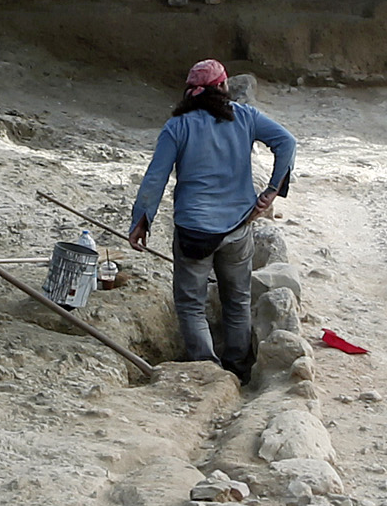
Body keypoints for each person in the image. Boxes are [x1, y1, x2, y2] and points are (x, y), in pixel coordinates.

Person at [127, 58, 298, 376]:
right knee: (237, 298)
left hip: (193, 233)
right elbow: (287, 142)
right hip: (237, 227)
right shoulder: (245, 117)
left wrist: (141, 220)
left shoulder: (177, 126)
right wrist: (272, 190)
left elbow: (155, 178)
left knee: (191, 304)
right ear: (222, 87)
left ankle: (206, 370)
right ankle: (237, 366)